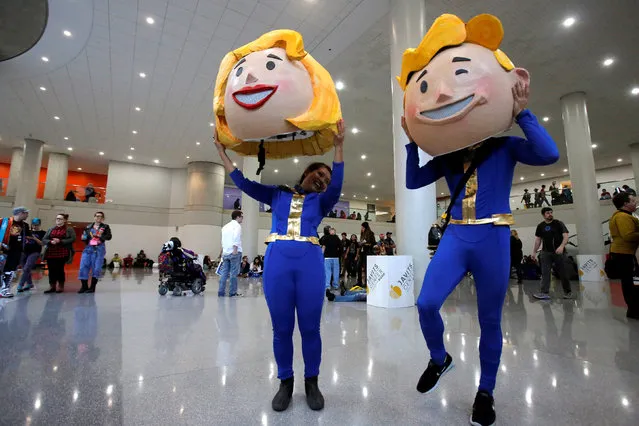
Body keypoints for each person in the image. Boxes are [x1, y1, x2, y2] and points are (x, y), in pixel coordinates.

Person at [397, 14, 559, 425]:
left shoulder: (504, 147)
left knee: (490, 320)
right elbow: (415, 180)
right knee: (426, 302)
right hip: (455, 237)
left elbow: (549, 154)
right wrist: (411, 143)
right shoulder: (449, 157)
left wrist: (522, 113)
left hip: (493, 237)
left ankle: (485, 391)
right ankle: (440, 358)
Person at [215, 117, 345, 412]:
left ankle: (311, 381)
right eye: (319, 173)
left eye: (326, 177)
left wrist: (338, 148)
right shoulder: (277, 193)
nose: (323, 179)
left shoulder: (322, 202)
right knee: (281, 329)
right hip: (277, 266)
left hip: (310, 265)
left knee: (311, 329)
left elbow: (337, 184)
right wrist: (223, 153)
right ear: (307, 173)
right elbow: (243, 183)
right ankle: (285, 382)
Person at [609, 192, 639, 319]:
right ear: (625, 204)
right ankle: (634, 310)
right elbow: (628, 235)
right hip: (623, 254)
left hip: (625, 253)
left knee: (630, 282)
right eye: (632, 201)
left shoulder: (625, 216)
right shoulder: (622, 217)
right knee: (629, 282)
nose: (635, 202)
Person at [532, 207, 572, 299]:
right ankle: (544, 293)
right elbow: (538, 240)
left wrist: (561, 246)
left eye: (551, 212)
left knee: (563, 273)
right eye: (547, 213)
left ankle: (568, 292)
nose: (550, 214)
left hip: (558, 252)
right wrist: (534, 252)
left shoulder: (558, 223)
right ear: (543, 215)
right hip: (545, 253)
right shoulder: (540, 226)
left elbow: (566, 236)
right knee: (545, 273)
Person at [0, 206, 31, 298]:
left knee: (10, 270)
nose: (27, 215)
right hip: (2, 250)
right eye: (26, 213)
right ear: (20, 213)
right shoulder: (4, 221)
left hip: (16, 251)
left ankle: (5, 290)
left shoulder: (25, 225)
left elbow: (27, 237)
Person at [78, 211, 112, 293]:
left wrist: (101, 236)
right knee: (83, 266)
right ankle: (84, 286)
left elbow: (109, 236)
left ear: (103, 218)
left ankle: (92, 287)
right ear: (94, 217)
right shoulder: (88, 227)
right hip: (88, 248)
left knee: (96, 268)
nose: (98, 218)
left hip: (99, 249)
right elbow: (85, 237)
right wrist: (84, 238)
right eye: (97, 216)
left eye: (100, 216)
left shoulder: (105, 227)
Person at [42, 213, 76, 293]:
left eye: (60, 219)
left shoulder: (69, 229)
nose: (58, 220)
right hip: (51, 252)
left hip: (62, 251)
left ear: (64, 220)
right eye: (57, 218)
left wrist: (60, 241)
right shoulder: (51, 229)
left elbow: (73, 239)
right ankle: (52, 286)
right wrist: (50, 241)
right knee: (51, 269)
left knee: (59, 269)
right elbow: (44, 239)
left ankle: (61, 286)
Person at [218, 210, 243, 297]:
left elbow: (223, 241)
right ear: (238, 217)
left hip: (226, 252)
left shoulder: (225, 227)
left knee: (224, 273)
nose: (242, 219)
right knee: (233, 274)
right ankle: (232, 293)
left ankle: (221, 292)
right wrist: (235, 249)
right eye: (242, 217)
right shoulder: (237, 226)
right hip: (234, 252)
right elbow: (236, 237)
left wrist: (223, 252)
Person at [17, 218, 46, 292]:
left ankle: (21, 284)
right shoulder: (28, 231)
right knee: (25, 269)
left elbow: (42, 243)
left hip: (35, 252)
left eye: (36, 225)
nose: (34, 226)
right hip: (24, 251)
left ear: (39, 224)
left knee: (27, 267)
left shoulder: (42, 233)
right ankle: (29, 283)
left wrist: (34, 238)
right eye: (33, 225)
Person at [319, 226, 342, 295]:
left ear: (329, 232)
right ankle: (335, 286)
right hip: (335, 257)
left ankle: (327, 286)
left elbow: (323, 247)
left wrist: (321, 255)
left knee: (328, 272)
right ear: (334, 232)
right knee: (336, 272)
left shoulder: (326, 237)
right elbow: (340, 248)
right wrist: (339, 255)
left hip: (327, 257)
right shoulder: (337, 238)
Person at [358, 222, 376, 286]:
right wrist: (360, 244)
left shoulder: (371, 233)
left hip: (368, 252)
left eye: (362, 227)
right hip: (362, 252)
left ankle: (366, 283)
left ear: (365, 227)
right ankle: (359, 282)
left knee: (366, 267)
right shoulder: (362, 234)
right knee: (358, 266)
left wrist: (366, 244)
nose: (361, 228)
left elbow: (373, 243)